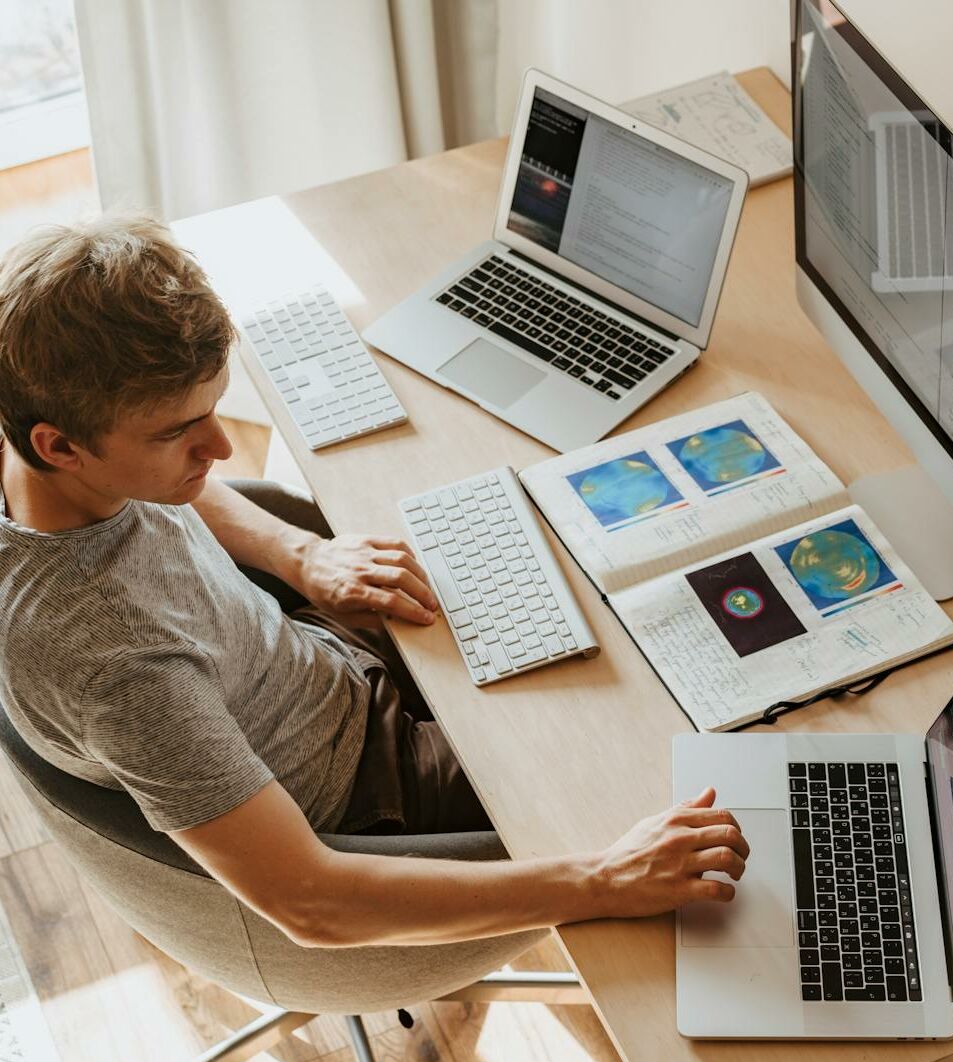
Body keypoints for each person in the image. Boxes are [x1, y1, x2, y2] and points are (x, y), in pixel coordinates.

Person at [0, 214, 748, 948]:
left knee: (586, 603)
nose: (222, 448)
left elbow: (166, 489)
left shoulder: (42, 451)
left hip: (316, 663)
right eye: (178, 432)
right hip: (369, 793)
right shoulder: (120, 671)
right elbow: (312, 903)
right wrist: (604, 881)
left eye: (214, 409)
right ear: (59, 446)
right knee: (670, 768)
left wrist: (300, 555)